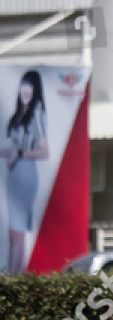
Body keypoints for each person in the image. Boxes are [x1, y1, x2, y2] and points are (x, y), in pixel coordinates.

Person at [3, 70, 48, 275]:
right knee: (13, 234)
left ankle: (15, 278)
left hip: (26, 176)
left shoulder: (37, 113)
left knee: (18, 233)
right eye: (23, 85)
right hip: (13, 177)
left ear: (35, 89)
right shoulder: (17, 115)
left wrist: (20, 153)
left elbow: (44, 150)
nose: (25, 90)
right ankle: (10, 277)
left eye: (29, 86)